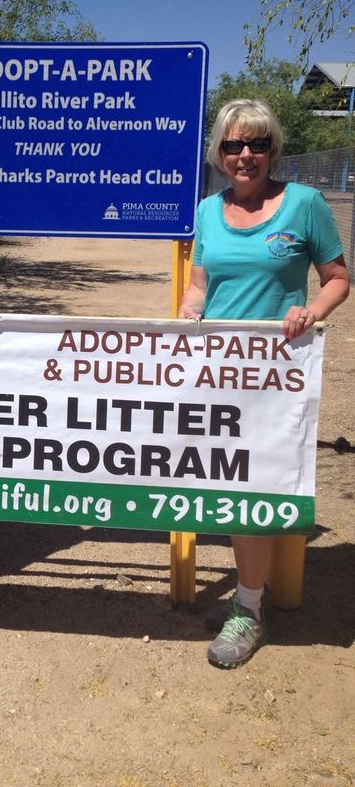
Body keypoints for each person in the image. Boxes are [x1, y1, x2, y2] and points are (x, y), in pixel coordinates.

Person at [178, 98, 349, 668]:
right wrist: (188, 310)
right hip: (217, 372)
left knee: (253, 488)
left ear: (273, 149)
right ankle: (251, 596)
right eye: (232, 145)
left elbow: (337, 277)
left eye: (255, 144)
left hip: (277, 376)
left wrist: (313, 312)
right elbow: (200, 285)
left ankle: (248, 610)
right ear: (219, 154)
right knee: (223, 484)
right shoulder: (207, 211)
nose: (244, 155)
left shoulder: (304, 204)